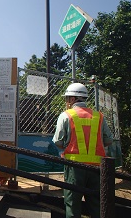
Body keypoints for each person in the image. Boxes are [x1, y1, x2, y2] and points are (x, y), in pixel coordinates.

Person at [52, 83, 113, 218]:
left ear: (73, 99)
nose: (66, 102)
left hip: (74, 167)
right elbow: (109, 140)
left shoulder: (66, 115)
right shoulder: (99, 116)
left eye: (68, 98)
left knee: (72, 203)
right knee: (97, 204)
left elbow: (58, 141)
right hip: (97, 168)